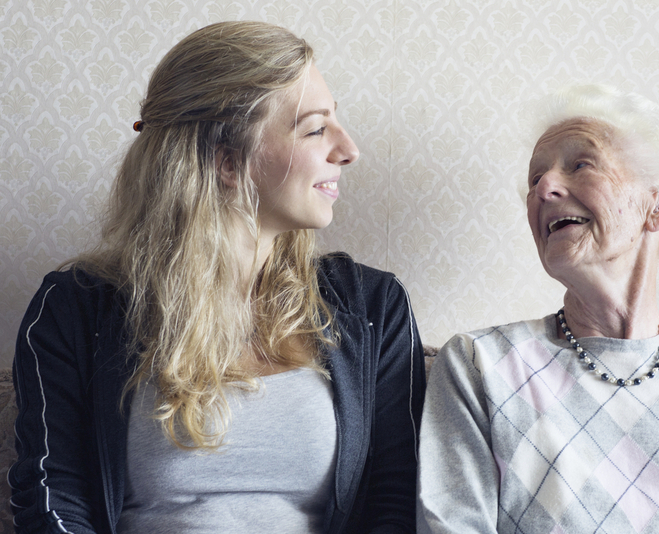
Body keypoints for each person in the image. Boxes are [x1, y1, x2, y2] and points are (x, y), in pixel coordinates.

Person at [10, 21, 425, 534]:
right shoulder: (74, 308)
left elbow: (396, 502)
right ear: (228, 161)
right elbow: (51, 498)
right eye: (316, 128)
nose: (348, 149)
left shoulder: (373, 308)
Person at [417, 84, 659, 533]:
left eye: (580, 163)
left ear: (657, 207)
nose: (544, 188)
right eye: (534, 179)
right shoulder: (480, 366)